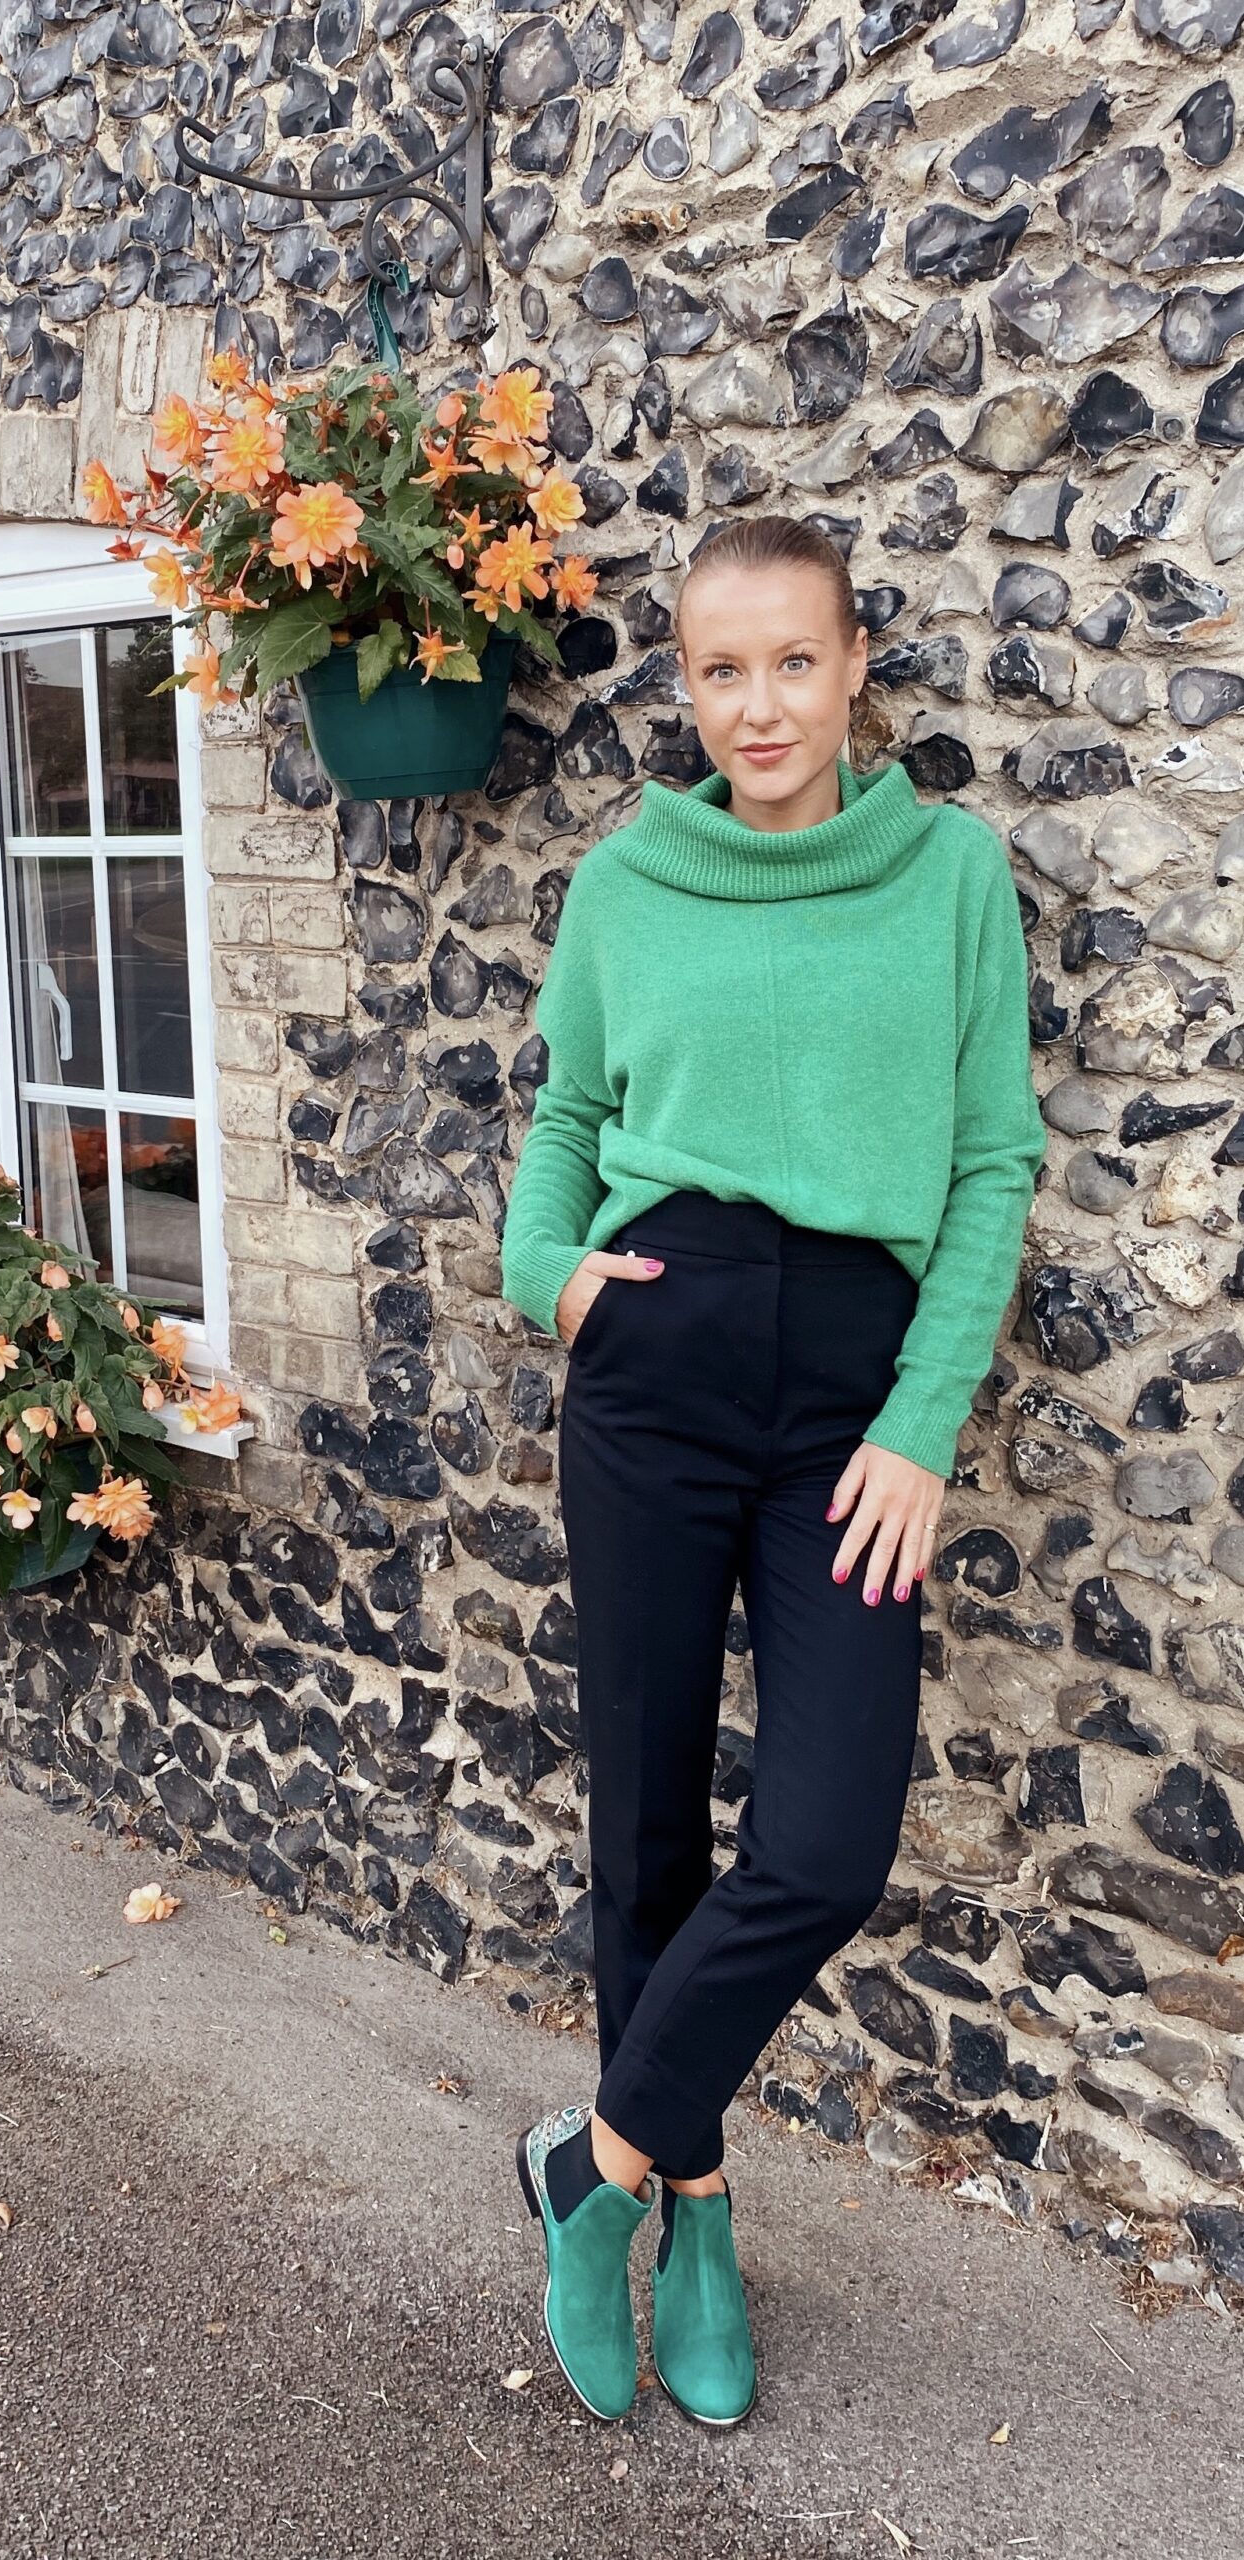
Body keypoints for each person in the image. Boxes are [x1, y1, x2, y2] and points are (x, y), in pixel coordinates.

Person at [501, 513, 1048, 2428]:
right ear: (682, 680)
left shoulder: (946, 873)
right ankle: (700, 2216)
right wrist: (547, 1275)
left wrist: (918, 1425)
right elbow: (568, 1112)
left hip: (846, 1408)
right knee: (645, 1825)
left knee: (820, 1845)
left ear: (852, 669)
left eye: (792, 662)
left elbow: (991, 1160)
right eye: (720, 669)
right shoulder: (625, 882)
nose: (758, 706)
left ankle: (592, 2166)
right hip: (651, 1369)